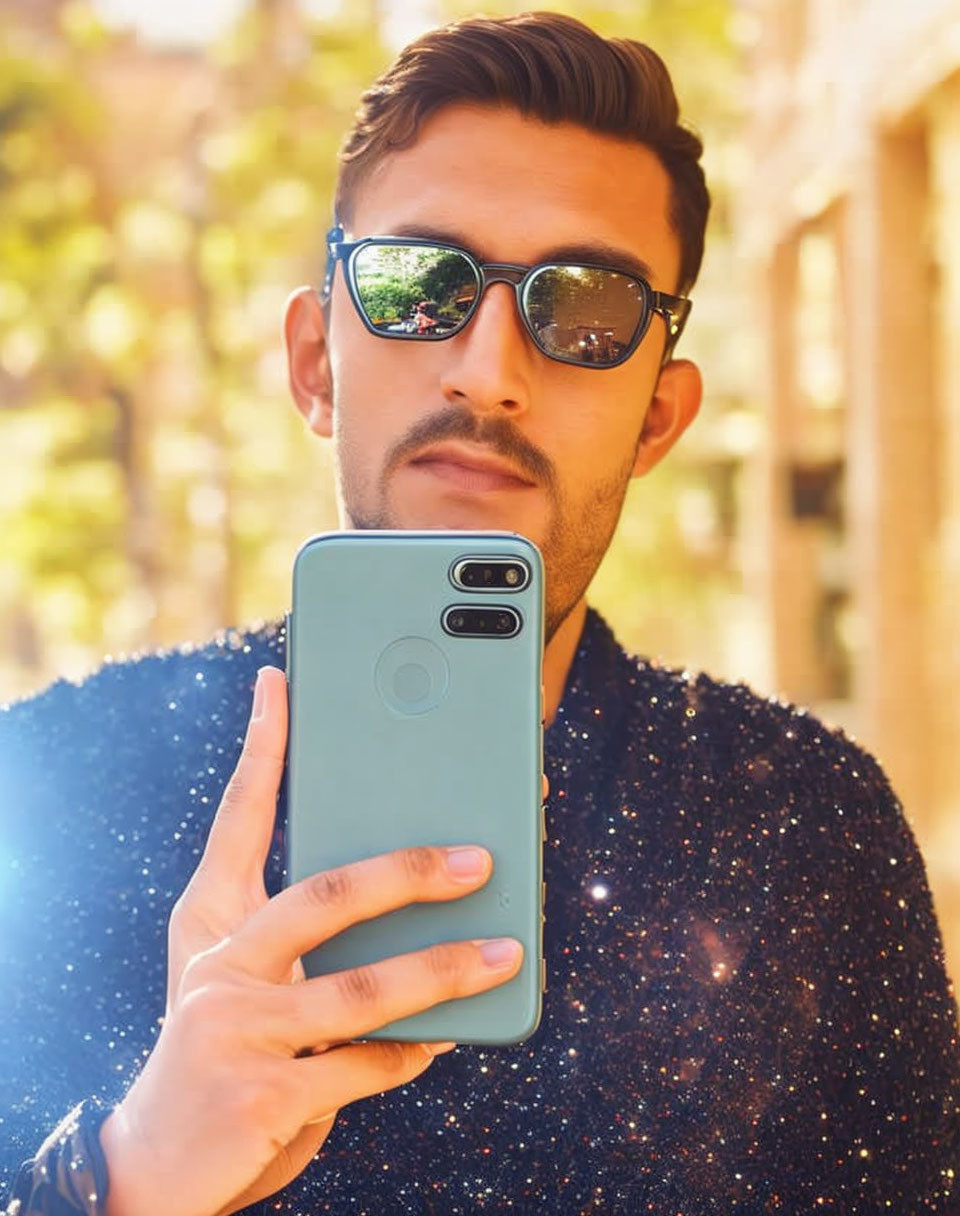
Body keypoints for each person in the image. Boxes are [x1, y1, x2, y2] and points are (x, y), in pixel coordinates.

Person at [3, 11, 959, 1216]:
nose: (490, 366)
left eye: (588, 307)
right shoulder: (47, 787)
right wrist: (126, 1175)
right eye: (418, 284)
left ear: (660, 418)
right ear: (313, 363)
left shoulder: (812, 830)